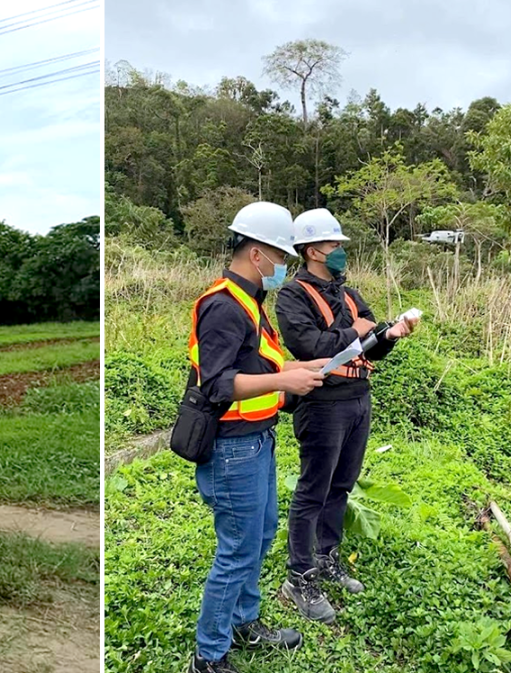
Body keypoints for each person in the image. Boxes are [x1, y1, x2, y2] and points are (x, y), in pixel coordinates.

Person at [186, 202, 331, 673]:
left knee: (261, 533)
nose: (283, 267)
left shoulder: (251, 302)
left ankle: (245, 622)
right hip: (232, 448)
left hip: (258, 439)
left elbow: (260, 366)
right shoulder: (223, 305)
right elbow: (218, 385)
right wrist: (284, 383)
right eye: (280, 257)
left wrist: (300, 368)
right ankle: (209, 656)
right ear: (255, 254)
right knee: (237, 550)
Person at [275, 208, 419, 624]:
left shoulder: (350, 293)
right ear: (312, 249)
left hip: (358, 397)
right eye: (334, 245)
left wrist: (389, 335)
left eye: (340, 245)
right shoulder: (293, 294)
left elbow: (371, 338)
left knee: (341, 486)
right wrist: (356, 331)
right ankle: (298, 577)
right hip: (322, 402)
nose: (340, 251)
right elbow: (306, 344)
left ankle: (326, 557)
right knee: (313, 491)